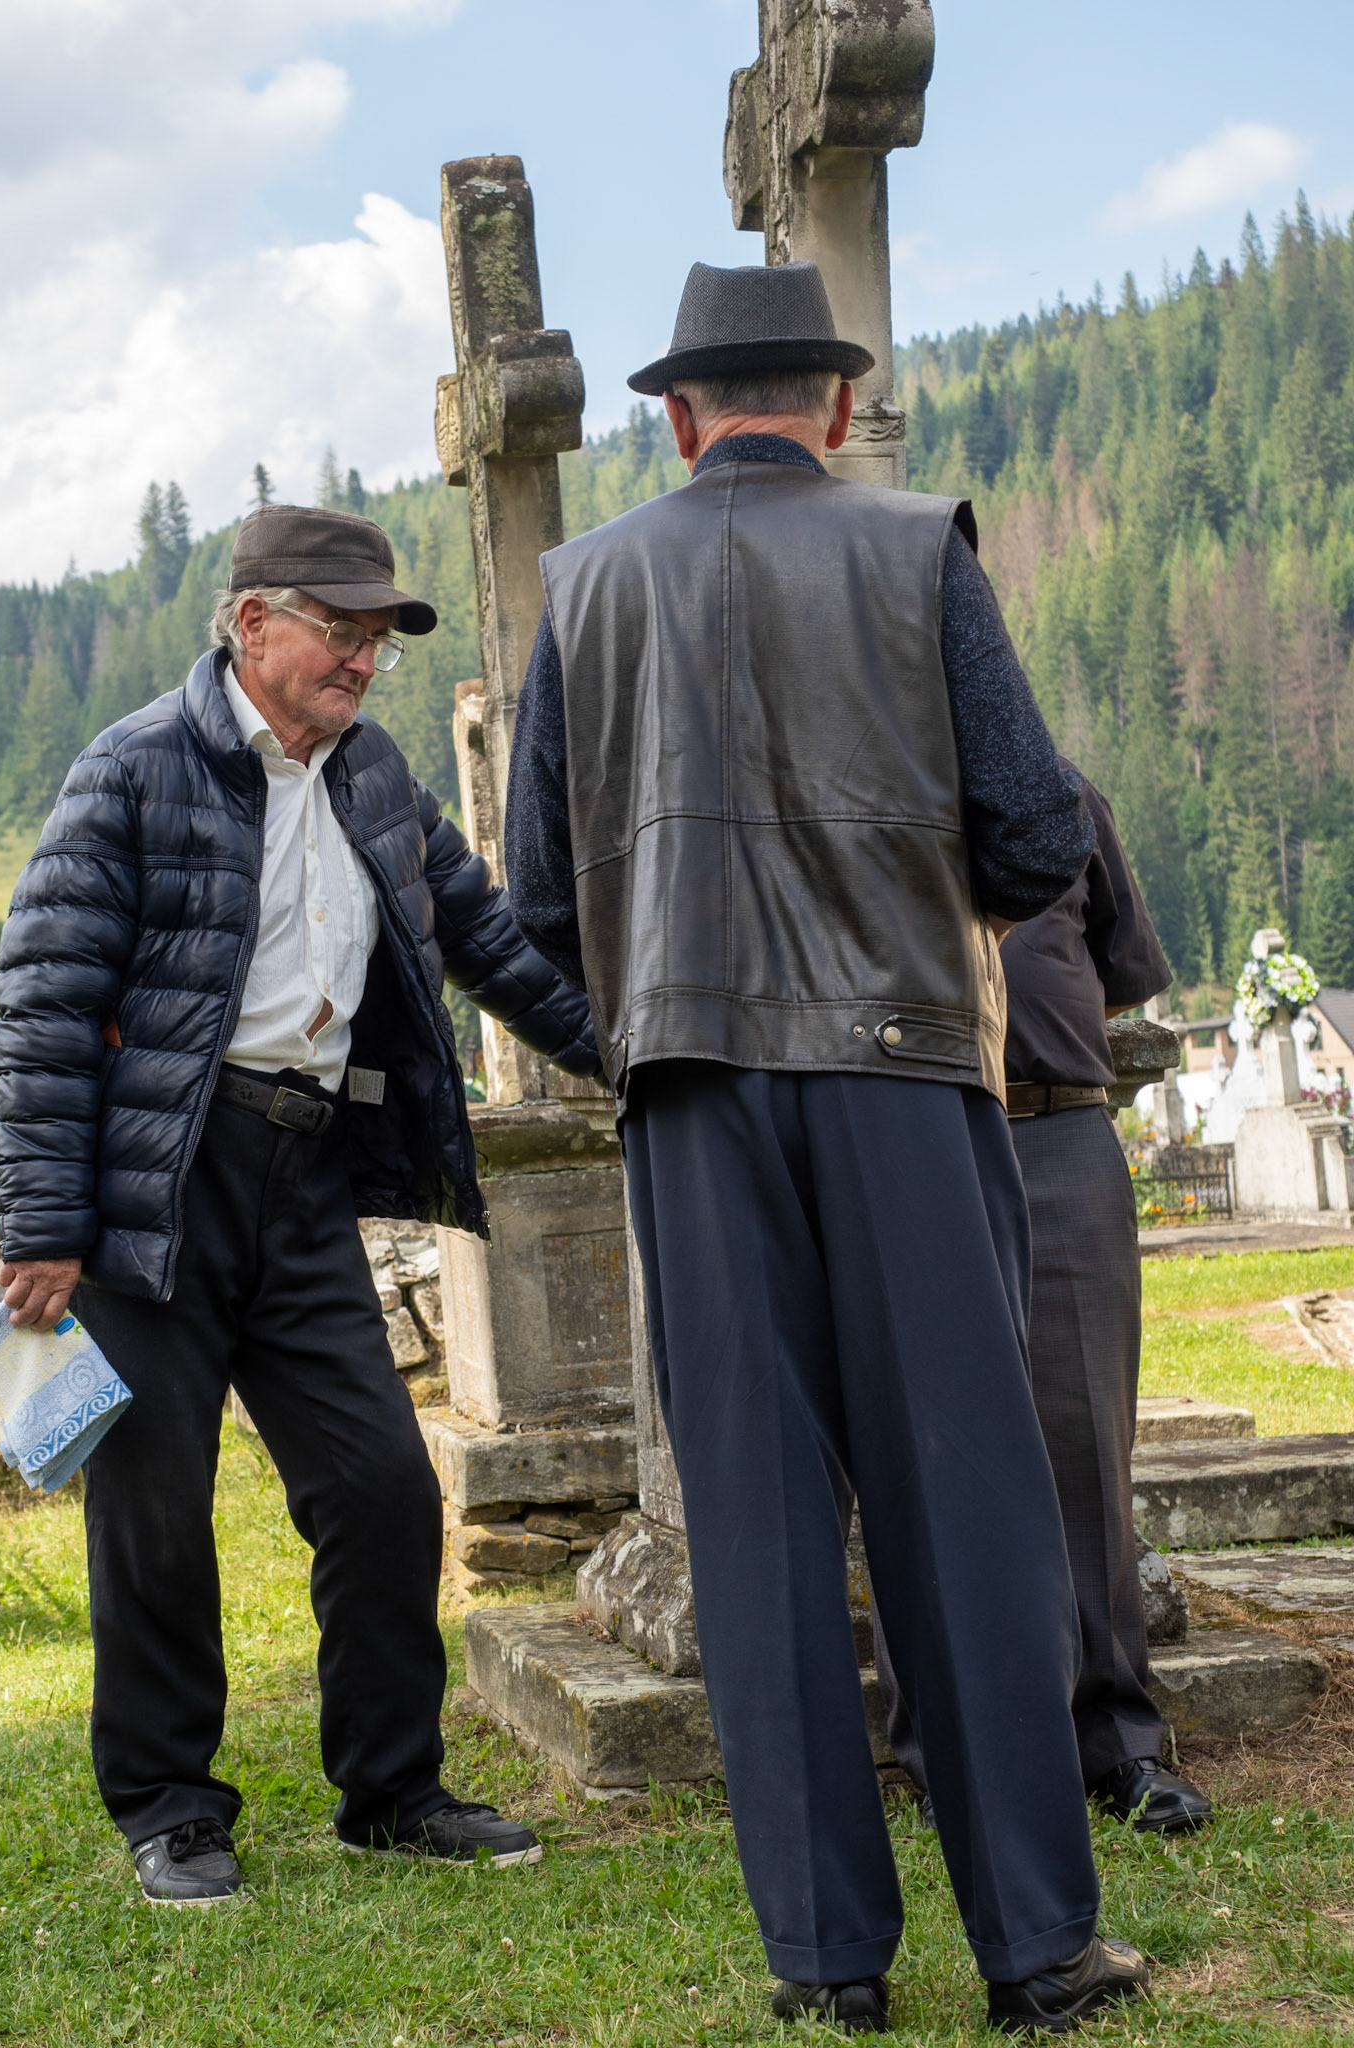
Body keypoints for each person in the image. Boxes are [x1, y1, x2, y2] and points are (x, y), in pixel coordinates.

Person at [505, 262, 1150, 2035]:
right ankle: (1037, 1947)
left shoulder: (582, 585)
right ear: (840, 406)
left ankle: (824, 1962)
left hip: (689, 1087)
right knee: (968, 1503)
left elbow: (542, 895)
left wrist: (650, 1011)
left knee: (758, 1523)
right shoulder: (917, 546)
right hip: (903, 1078)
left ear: (678, 418)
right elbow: (1037, 836)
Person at [0, 504, 600, 1904]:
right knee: (152, 1509)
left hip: (304, 1174)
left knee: (382, 1486)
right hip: (158, 1184)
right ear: (253, 623)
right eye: (342, 631)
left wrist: (625, 1056)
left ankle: (392, 1791)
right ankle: (171, 1809)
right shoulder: (134, 766)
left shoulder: (375, 774)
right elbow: (45, 998)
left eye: (380, 638)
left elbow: (488, 940)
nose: (365, 661)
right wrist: (43, 1222)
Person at [875, 771, 1214, 1836]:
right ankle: (951, 1755)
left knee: (1086, 1452)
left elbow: (1117, 973)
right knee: (924, 1455)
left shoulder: (1057, 793)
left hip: (1060, 1133)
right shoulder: (856, 787)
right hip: (913, 1146)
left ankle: (1118, 1743)